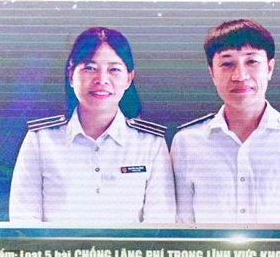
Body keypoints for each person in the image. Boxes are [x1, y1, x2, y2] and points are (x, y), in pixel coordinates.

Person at [171, 19, 280, 225]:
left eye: (252, 62)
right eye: (227, 64)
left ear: (270, 68)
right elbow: (181, 227)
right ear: (212, 72)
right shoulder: (187, 142)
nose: (240, 75)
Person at [9, 27, 176, 225]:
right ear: (71, 75)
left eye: (114, 69)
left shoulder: (150, 143)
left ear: (129, 78)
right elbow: (24, 219)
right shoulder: (41, 140)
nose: (101, 80)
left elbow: (160, 221)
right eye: (90, 68)